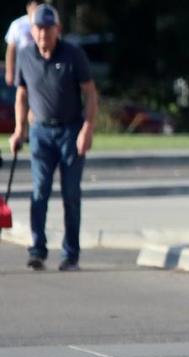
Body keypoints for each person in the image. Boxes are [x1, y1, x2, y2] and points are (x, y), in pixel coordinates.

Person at [8, 4, 98, 272]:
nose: (43, 34)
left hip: (71, 130)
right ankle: (38, 249)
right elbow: (21, 96)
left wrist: (87, 129)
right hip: (41, 133)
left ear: (57, 29)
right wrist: (18, 129)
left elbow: (91, 93)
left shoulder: (73, 55)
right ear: (32, 30)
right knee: (39, 191)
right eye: (38, 28)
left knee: (71, 193)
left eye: (48, 28)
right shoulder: (25, 56)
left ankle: (70, 255)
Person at [4, 1, 37, 87]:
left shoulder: (45, 25)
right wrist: (9, 72)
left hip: (39, 67)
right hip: (22, 67)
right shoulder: (18, 25)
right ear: (28, 8)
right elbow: (11, 49)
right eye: (33, 9)